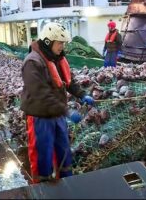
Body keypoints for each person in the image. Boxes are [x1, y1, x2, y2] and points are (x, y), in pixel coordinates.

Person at [20, 22, 94, 183]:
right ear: (48, 41)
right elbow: (40, 94)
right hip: (40, 117)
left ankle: (67, 184)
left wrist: (82, 94)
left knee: (64, 152)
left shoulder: (56, 58)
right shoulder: (32, 62)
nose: (62, 46)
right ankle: (42, 189)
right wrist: (67, 111)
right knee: (42, 156)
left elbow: (69, 81)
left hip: (57, 115)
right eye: (60, 43)